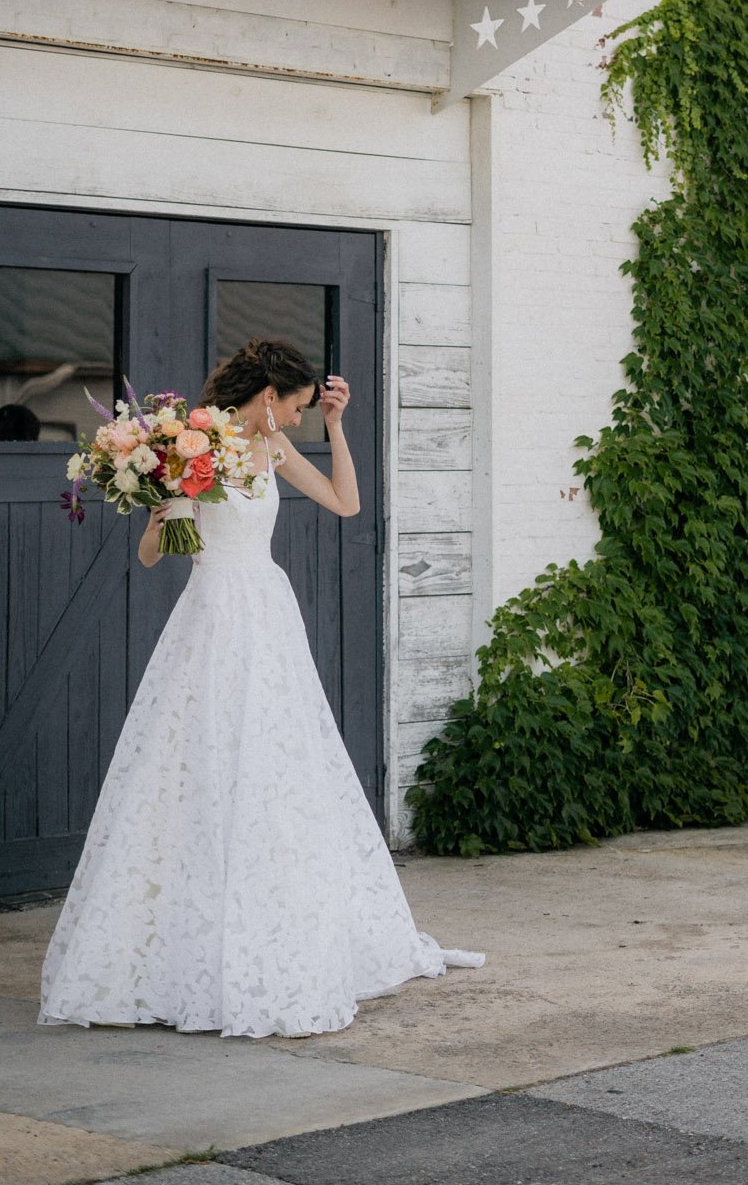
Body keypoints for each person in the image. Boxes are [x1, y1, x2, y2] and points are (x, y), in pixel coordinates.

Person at [40, 337, 482, 1037]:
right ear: (269, 396)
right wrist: (163, 511)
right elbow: (153, 558)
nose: (303, 418)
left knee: (277, 765)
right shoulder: (191, 448)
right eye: (303, 407)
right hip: (210, 616)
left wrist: (338, 427)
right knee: (196, 764)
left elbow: (345, 502)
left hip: (268, 619)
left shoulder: (272, 451)